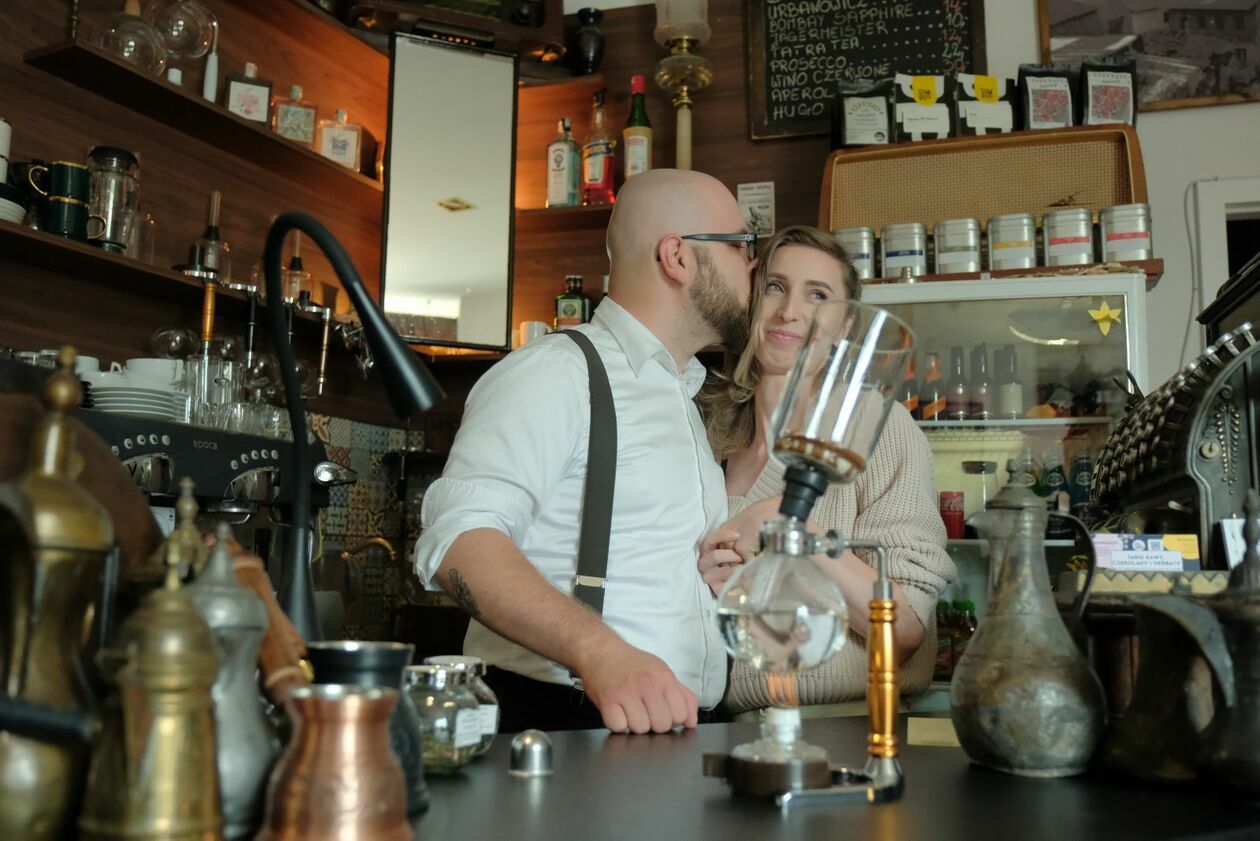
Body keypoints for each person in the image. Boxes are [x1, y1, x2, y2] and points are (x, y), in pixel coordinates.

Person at [414, 169, 756, 734]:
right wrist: (601, 653)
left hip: (670, 732)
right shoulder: (556, 372)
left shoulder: (684, 392)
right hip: (563, 724)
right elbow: (459, 543)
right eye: (741, 245)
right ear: (678, 257)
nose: (751, 265)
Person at [696, 225, 955, 714]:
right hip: (730, 727)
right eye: (775, 286)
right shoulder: (709, 439)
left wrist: (789, 530)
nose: (789, 311)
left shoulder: (876, 428)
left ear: (845, 328)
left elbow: (903, 632)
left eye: (818, 295)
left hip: (849, 729)